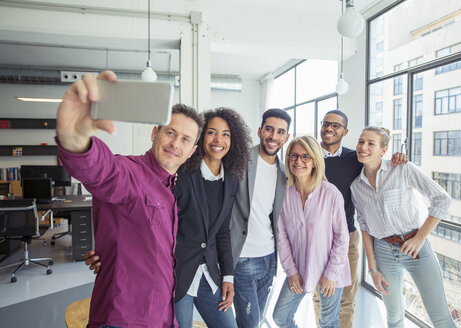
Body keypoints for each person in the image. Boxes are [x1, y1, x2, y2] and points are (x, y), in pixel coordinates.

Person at [56, 71, 203, 327]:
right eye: (170, 132)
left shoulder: (170, 189)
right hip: (123, 318)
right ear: (154, 132)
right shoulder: (131, 173)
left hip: (161, 315)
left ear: (191, 152)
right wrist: (74, 136)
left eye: (185, 139)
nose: (175, 144)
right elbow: (102, 171)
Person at [350, 126, 456, 328]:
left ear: (383, 150)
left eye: (370, 143)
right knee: (394, 317)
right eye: (361, 141)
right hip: (383, 251)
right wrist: (372, 269)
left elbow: (442, 200)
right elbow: (364, 226)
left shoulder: (402, 168)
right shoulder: (356, 186)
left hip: (416, 249)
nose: (363, 147)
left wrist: (420, 238)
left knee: (440, 318)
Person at [313, 110, 407, 328]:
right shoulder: (309, 155)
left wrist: (398, 158)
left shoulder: (354, 159)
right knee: (320, 295)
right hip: (314, 238)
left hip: (346, 236)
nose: (329, 128)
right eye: (326, 123)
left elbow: (376, 161)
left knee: (346, 296)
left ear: (345, 131)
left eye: (335, 125)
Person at [172, 108, 251, 328]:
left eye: (226, 134)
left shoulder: (232, 179)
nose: (219, 140)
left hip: (209, 274)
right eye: (211, 132)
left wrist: (228, 276)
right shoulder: (182, 176)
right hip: (178, 275)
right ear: (200, 136)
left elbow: (223, 231)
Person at [272, 136, 351, 328]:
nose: (298, 161)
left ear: (315, 161)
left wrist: (331, 274)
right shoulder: (284, 194)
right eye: (294, 156)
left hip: (330, 270)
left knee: (327, 323)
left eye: (305, 157)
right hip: (298, 269)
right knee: (280, 317)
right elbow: (282, 238)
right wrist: (291, 271)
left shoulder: (330, 193)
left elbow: (342, 238)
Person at [229, 108, 291, 328]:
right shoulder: (239, 161)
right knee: (249, 321)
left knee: (256, 319)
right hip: (244, 257)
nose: (273, 136)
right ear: (260, 130)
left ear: (286, 137)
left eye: (280, 132)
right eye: (269, 129)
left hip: (269, 257)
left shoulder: (285, 173)